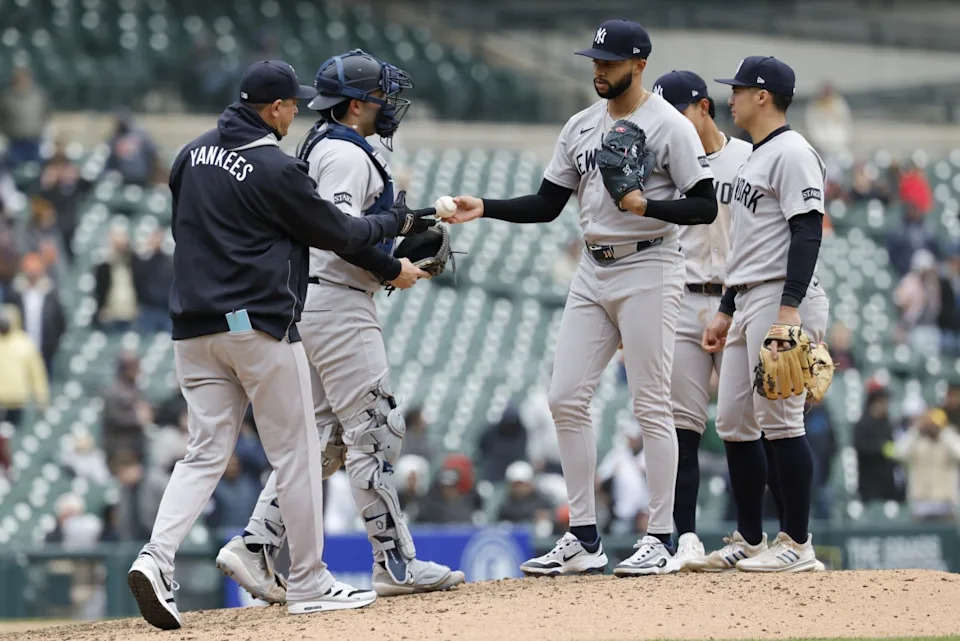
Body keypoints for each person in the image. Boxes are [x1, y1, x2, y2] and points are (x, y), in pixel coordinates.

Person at [127, 59, 431, 630]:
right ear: (272, 109)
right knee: (297, 451)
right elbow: (341, 233)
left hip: (191, 328)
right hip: (254, 326)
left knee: (204, 452)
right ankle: (311, 580)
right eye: (292, 103)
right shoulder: (274, 167)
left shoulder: (189, 154)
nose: (298, 111)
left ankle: (156, 558)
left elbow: (183, 227)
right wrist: (396, 219)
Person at [447, 19, 717, 576]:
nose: (598, 68)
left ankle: (662, 536)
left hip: (651, 265)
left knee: (650, 406)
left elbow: (704, 205)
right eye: (594, 60)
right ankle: (585, 537)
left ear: (639, 65)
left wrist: (648, 207)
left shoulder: (669, 126)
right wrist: (487, 206)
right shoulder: (580, 125)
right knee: (565, 397)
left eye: (610, 61)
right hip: (593, 270)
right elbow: (548, 204)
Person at [216, 50, 463, 603]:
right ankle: (394, 564)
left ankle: (255, 545)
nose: (388, 106)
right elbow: (339, 231)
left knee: (323, 443)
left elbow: (341, 224)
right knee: (374, 430)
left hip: (318, 301)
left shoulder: (327, 146)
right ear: (357, 104)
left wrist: (413, 220)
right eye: (380, 97)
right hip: (340, 304)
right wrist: (391, 266)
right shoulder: (347, 153)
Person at [694, 56, 830, 572]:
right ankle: (750, 540)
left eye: (739, 89)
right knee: (732, 420)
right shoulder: (757, 156)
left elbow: (808, 230)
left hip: (779, 296)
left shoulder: (793, 152)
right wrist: (726, 308)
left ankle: (796, 543)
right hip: (748, 294)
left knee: (780, 418)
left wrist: (789, 309)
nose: (731, 97)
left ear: (763, 95)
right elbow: (746, 245)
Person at [649, 70, 753, 568]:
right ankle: (684, 538)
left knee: (745, 426)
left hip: (740, 299)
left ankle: (755, 538)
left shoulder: (748, 159)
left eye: (680, 114)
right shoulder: (666, 165)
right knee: (682, 427)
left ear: (704, 108)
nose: (672, 126)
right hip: (684, 296)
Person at [0, 67, 49, 168]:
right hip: (15, 141)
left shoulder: (38, 96)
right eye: (19, 79)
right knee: (13, 168)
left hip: (35, 140)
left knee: (38, 168)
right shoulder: (7, 98)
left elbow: (45, 114)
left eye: (25, 78)